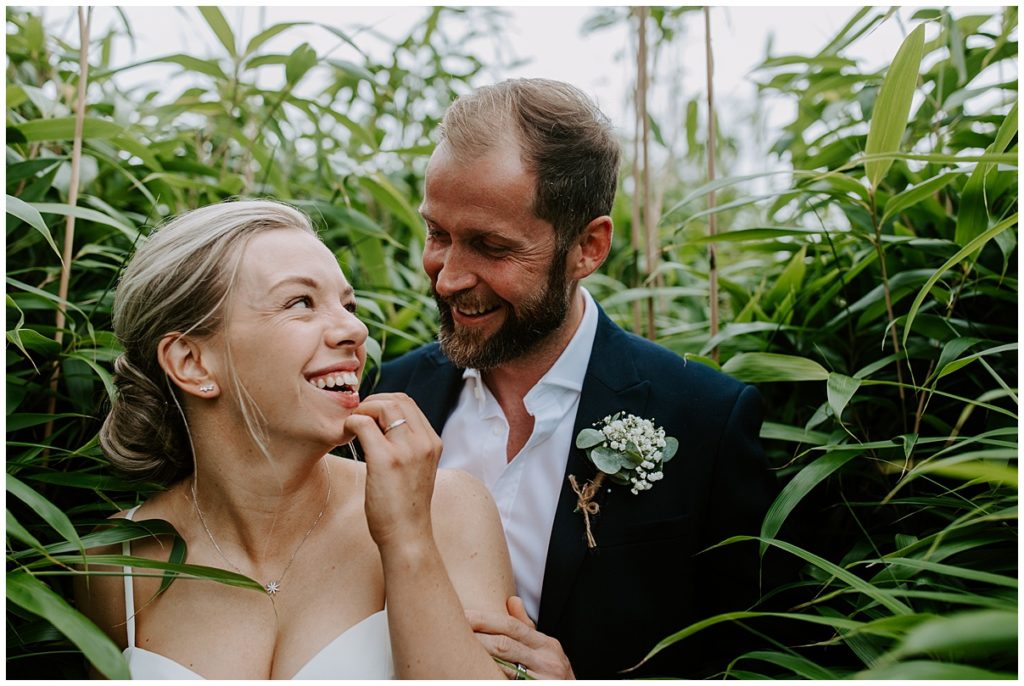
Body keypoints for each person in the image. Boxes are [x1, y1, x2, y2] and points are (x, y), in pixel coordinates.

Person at [371, 78, 775, 679]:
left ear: (587, 247)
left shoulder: (706, 421)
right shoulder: (386, 400)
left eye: (490, 245)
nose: (448, 276)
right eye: (438, 234)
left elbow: (758, 661)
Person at [73, 199, 514, 679]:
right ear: (191, 362)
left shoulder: (445, 508)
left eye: (348, 305)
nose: (355, 329)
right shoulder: (112, 563)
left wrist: (407, 539)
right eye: (300, 303)